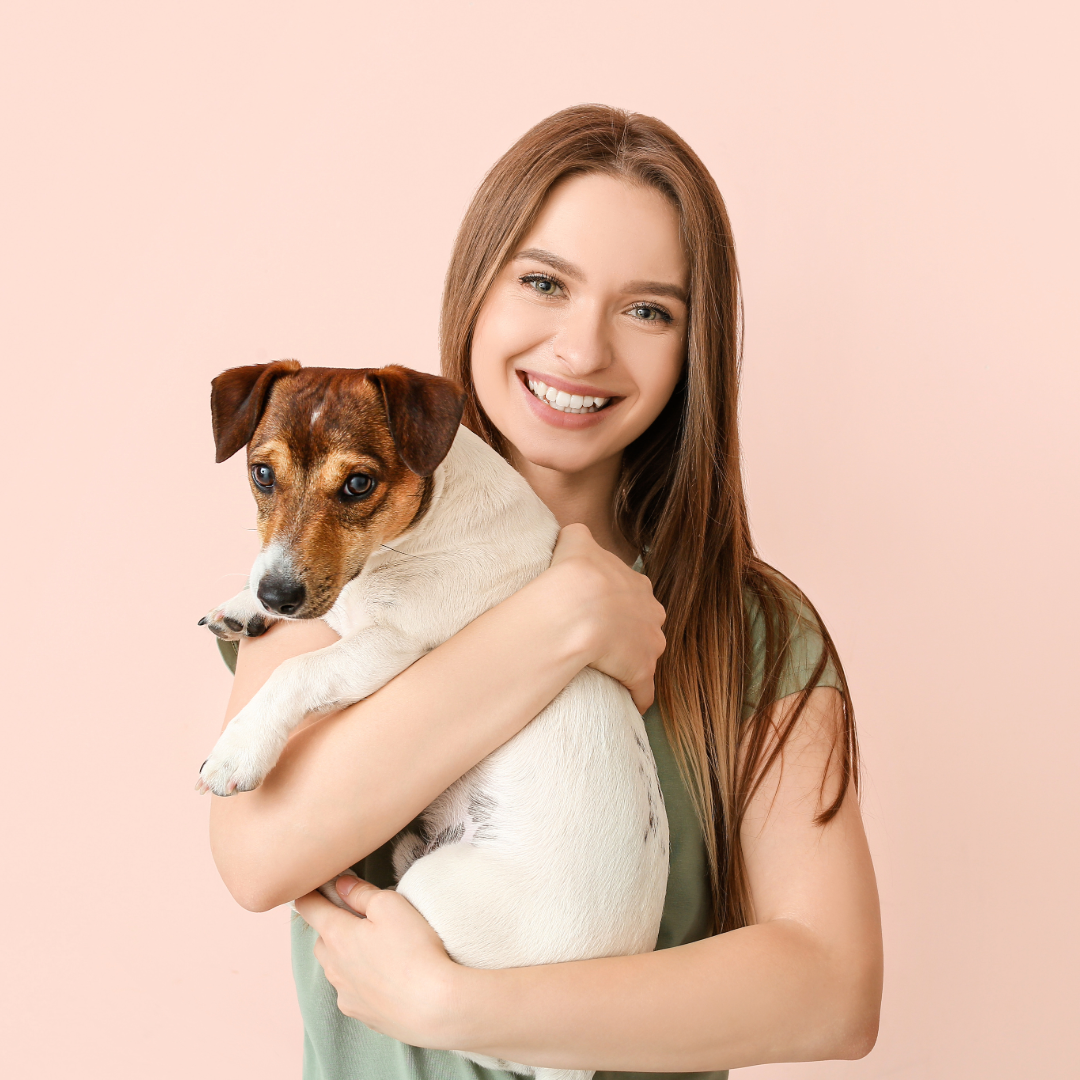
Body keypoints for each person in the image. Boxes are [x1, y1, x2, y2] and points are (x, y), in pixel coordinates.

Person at [208, 105, 883, 1079]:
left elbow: (833, 991)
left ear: (697, 348)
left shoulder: (758, 630)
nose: (580, 351)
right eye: (543, 283)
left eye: (648, 309)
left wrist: (456, 1003)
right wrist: (561, 623)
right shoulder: (335, 555)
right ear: (476, 291)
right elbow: (258, 856)